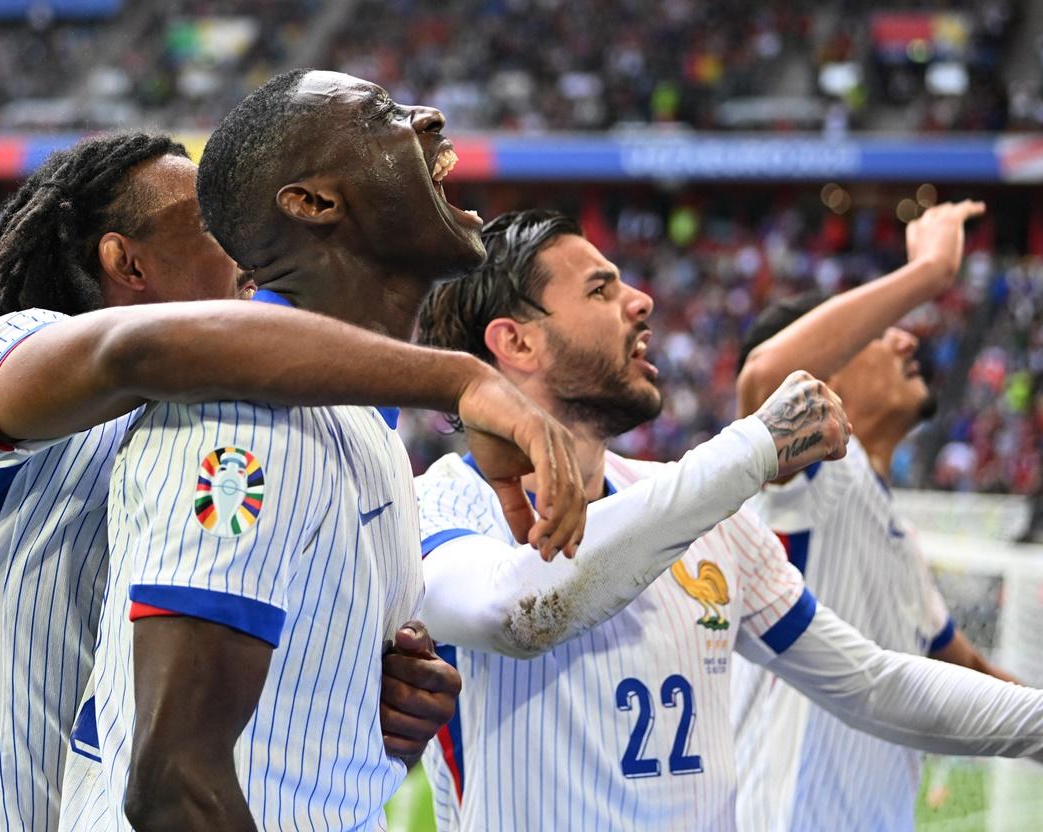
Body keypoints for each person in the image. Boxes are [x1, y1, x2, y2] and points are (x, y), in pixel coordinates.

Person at [0, 131, 585, 832]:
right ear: (125, 260)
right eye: (209, 225)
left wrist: (366, 700)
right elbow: (135, 350)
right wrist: (461, 379)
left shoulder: (210, 421)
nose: (242, 244)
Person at [410, 208, 1043, 831]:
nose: (641, 301)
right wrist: (754, 447)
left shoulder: (702, 510)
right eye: (601, 290)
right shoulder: (442, 506)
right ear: (516, 341)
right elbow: (517, 614)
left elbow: (871, 685)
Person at [731, 200, 1018, 832]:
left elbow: (969, 671)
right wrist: (931, 271)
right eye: (873, 331)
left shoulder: (892, 528)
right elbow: (764, 377)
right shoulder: (821, 477)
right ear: (819, 381)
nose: (905, 335)